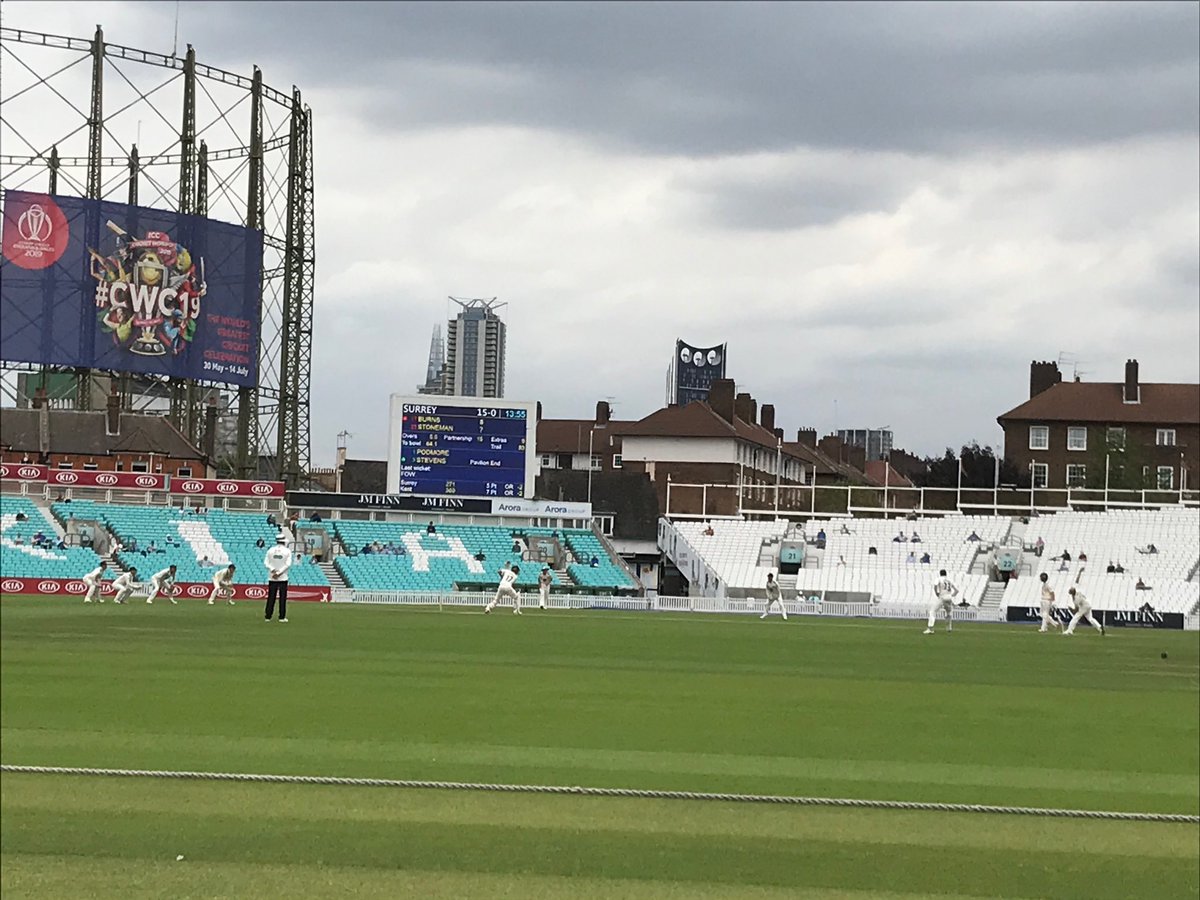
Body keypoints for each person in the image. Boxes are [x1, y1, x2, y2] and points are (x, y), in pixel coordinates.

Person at [264, 534, 293, 622]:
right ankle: (282, 617)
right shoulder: (287, 551)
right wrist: (279, 573)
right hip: (283, 577)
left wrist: (273, 570)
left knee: (271, 597)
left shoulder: (270, 550)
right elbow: (288, 564)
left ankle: (268, 616)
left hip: (272, 577)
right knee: (282, 598)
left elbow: (266, 563)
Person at [924, 569, 959, 634]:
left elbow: (935, 586)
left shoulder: (939, 579)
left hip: (942, 597)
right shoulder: (950, 580)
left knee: (932, 611)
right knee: (948, 613)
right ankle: (949, 628)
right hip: (949, 598)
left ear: (940, 574)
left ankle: (930, 628)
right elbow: (957, 591)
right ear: (946, 574)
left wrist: (937, 593)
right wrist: (951, 595)